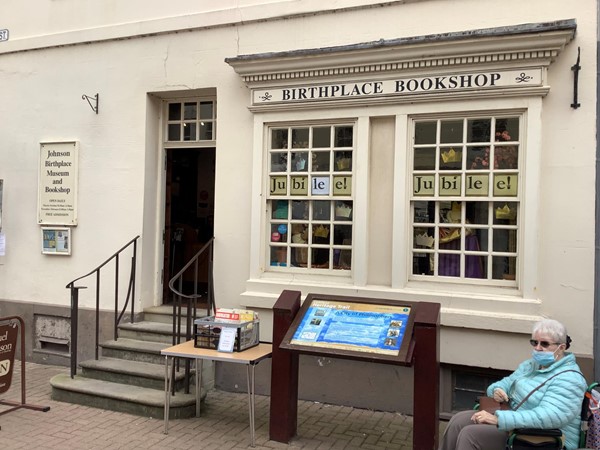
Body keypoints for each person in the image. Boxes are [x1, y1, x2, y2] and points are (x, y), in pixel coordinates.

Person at [439, 319, 587, 450]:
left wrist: (499, 419)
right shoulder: (531, 366)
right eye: (534, 342)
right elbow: (504, 383)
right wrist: (498, 390)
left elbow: (549, 417)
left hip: (545, 438)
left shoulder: (570, 379)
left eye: (544, 344)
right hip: (515, 423)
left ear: (561, 348)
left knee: (470, 434)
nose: (537, 348)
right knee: (458, 421)